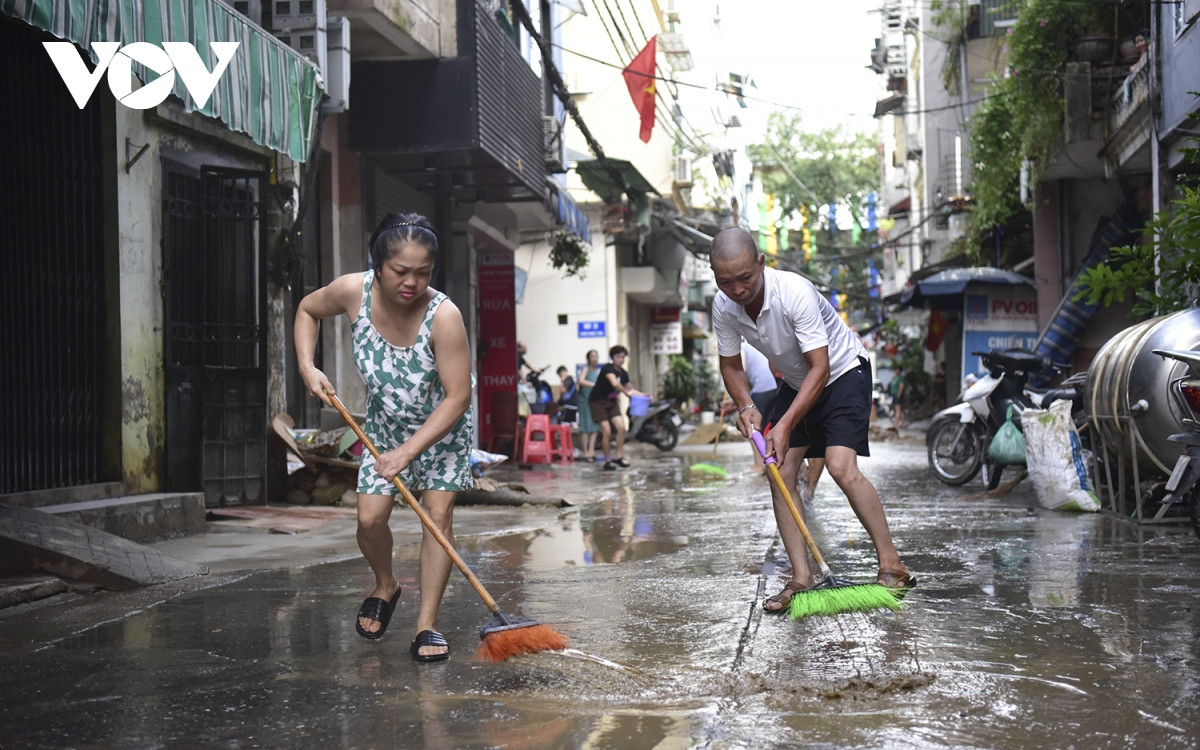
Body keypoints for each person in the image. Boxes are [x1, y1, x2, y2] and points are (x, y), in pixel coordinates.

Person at [294, 212, 473, 662]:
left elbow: (458, 397)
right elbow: (307, 310)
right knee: (370, 520)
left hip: (440, 431)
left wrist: (409, 452)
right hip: (384, 425)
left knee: (437, 519)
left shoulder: (444, 316)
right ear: (377, 266)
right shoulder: (353, 291)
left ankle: (426, 624)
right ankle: (386, 585)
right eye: (400, 271)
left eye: (423, 272)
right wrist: (306, 365)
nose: (411, 282)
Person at [709, 227, 913, 614]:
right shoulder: (723, 307)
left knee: (839, 465)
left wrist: (783, 424)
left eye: (745, 279)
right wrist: (745, 405)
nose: (736, 290)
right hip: (797, 380)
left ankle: (892, 565)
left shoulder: (794, 293)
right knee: (780, 470)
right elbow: (731, 364)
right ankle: (801, 577)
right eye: (725, 282)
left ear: (762, 264)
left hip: (840, 373)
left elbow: (820, 367)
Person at [588, 345, 646, 471]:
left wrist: (643, 395)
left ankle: (618, 457)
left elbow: (629, 389)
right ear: (613, 358)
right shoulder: (607, 368)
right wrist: (626, 393)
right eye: (618, 357)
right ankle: (607, 460)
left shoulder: (623, 373)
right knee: (607, 431)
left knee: (621, 428)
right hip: (598, 402)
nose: (621, 359)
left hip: (612, 403)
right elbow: (615, 383)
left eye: (623, 357)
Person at [576, 349, 602, 461]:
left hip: (594, 401)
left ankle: (591, 450)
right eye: (592, 356)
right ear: (588, 359)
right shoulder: (585, 369)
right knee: (586, 427)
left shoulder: (597, 371)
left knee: (595, 427)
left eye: (596, 356)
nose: (595, 358)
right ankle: (585, 451)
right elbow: (581, 381)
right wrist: (593, 385)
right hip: (585, 401)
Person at [889, 363, 908, 431]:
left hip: (898, 395)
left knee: (898, 410)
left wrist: (899, 395)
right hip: (895, 395)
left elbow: (901, 387)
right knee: (901, 410)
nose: (895, 371)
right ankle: (903, 423)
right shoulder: (895, 378)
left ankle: (896, 424)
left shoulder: (900, 378)